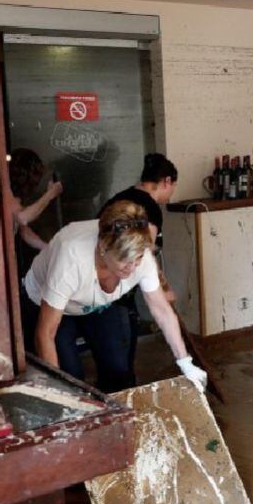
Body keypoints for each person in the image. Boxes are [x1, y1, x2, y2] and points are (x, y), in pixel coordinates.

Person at [23, 199, 206, 394]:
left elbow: (162, 310)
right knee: (70, 377)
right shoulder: (71, 259)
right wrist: (57, 391)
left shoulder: (139, 255)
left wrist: (186, 363)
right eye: (124, 260)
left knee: (118, 368)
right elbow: (45, 333)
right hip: (47, 302)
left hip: (95, 304)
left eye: (137, 259)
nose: (132, 268)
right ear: (103, 247)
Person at [98, 153, 179, 368]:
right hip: (116, 291)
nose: (172, 192)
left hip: (98, 285)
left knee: (109, 354)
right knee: (122, 356)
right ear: (166, 181)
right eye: (173, 186)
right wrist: (163, 290)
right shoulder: (149, 209)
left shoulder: (120, 198)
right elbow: (144, 256)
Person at [7, 148, 64, 353]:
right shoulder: (4, 192)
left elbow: (24, 231)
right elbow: (23, 218)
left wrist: (49, 249)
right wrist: (49, 195)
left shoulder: (14, 197)